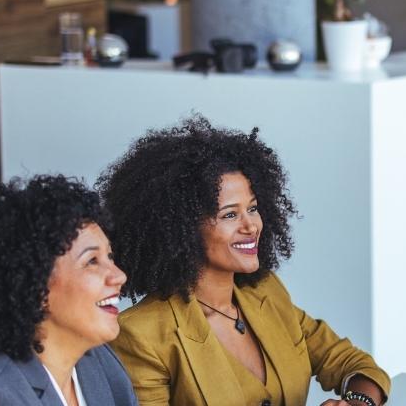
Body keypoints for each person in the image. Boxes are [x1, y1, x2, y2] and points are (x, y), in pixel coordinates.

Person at [101, 116, 388, 406]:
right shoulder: (141, 335)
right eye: (229, 214)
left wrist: (357, 402)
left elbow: (354, 364)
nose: (251, 226)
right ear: (181, 228)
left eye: (252, 208)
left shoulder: (267, 293)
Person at [0, 175, 136, 406]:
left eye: (109, 257)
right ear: (34, 286)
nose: (119, 275)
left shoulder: (99, 361)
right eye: (92, 261)